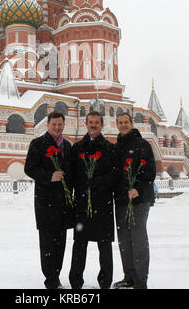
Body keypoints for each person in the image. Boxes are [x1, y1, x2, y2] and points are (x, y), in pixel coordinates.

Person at [69, 110, 120, 289]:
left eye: (96, 123)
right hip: (83, 203)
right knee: (79, 244)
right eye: (90, 122)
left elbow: (115, 175)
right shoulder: (77, 148)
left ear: (102, 125)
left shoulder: (109, 148)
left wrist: (96, 182)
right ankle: (76, 282)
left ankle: (105, 281)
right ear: (86, 124)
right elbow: (71, 175)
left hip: (103, 203)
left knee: (104, 246)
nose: (93, 125)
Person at [24, 111, 73, 289]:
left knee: (60, 243)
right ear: (48, 125)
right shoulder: (38, 144)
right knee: (47, 243)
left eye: (60, 125)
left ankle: (57, 274)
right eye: (54, 125)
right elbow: (29, 168)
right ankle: (50, 279)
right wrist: (50, 176)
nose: (57, 128)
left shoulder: (67, 146)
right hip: (46, 203)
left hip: (63, 204)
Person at [113, 112, 156, 290]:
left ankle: (140, 280)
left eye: (126, 122)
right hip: (122, 200)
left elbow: (149, 171)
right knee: (124, 240)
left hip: (139, 199)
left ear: (131, 123)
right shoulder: (117, 147)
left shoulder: (142, 145)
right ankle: (129, 276)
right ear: (116, 125)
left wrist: (137, 188)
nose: (123, 125)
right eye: (120, 123)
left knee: (138, 238)